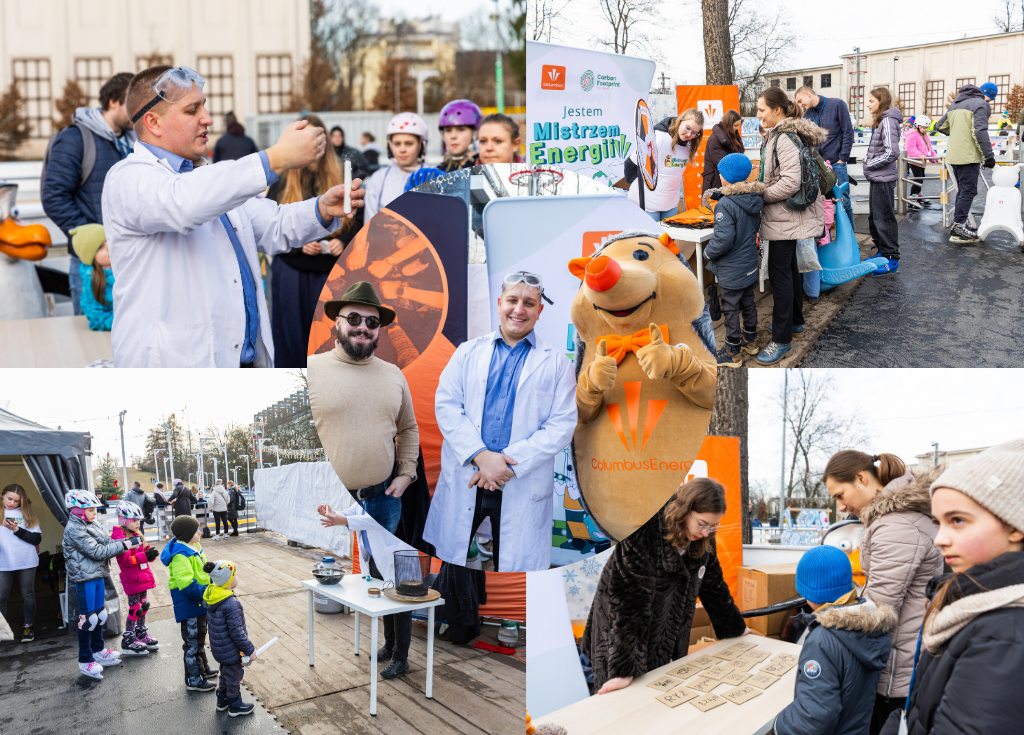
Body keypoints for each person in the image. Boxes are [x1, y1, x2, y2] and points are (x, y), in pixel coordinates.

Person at [102, 65, 365, 368]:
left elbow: (273, 224)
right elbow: (183, 203)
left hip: (240, 366)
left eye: (204, 106)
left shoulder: (209, 178)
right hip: (174, 371)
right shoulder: (127, 179)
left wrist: (320, 210)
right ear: (153, 122)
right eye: (192, 110)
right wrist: (277, 157)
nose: (208, 118)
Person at [424, 272, 577, 573]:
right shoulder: (467, 352)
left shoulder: (558, 363)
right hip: (469, 475)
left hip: (517, 480)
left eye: (529, 303)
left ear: (539, 310)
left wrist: (503, 465)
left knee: (514, 575)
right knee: (454, 572)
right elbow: (447, 406)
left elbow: (561, 426)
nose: (519, 309)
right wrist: (482, 457)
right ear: (499, 304)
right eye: (512, 300)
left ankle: (507, 610)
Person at [881, 440, 1024, 735]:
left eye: (958, 520)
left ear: (1014, 524)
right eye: (938, 523)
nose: (939, 539)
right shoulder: (972, 600)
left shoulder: (1004, 634)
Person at [581, 479, 749, 695]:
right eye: (702, 524)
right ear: (685, 510)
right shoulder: (643, 531)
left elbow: (714, 587)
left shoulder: (704, 538)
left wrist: (735, 627)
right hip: (619, 634)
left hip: (663, 630)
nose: (707, 533)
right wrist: (624, 667)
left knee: (656, 689)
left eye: (713, 526)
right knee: (624, 697)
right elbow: (629, 604)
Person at [823, 451, 943, 733]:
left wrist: (824, 626)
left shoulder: (897, 525)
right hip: (906, 658)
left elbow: (878, 609)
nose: (841, 507)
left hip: (897, 672)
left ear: (861, 478)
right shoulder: (897, 518)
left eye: (840, 495)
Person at [307, 282, 419, 536]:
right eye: (354, 318)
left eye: (372, 322)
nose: (363, 327)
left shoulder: (394, 374)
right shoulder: (311, 369)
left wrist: (407, 474)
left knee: (383, 561)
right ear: (337, 322)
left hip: (384, 500)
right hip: (328, 501)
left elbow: (408, 427)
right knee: (331, 561)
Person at [772, 545, 897, 735]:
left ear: (808, 592)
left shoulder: (822, 641)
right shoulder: (869, 626)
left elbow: (813, 720)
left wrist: (778, 725)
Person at [41, 71, 136, 317]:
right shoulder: (75, 139)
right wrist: (95, 244)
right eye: (133, 103)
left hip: (131, 262)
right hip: (93, 266)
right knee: (89, 335)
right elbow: (54, 196)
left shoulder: (134, 143)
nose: (139, 111)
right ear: (113, 101)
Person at [267, 114, 356, 369]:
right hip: (292, 272)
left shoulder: (340, 175)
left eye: (317, 138)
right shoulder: (283, 179)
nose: (313, 144)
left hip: (330, 273)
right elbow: (269, 225)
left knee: (330, 344)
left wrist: (343, 241)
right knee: (291, 342)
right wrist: (298, 245)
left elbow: (357, 222)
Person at [755, 87, 826, 365]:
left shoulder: (783, 138)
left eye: (761, 109)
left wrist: (761, 196)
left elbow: (790, 183)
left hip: (784, 217)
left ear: (777, 110)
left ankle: (781, 339)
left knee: (780, 275)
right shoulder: (782, 135)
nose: (758, 114)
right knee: (790, 269)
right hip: (788, 216)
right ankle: (794, 323)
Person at [318, 501, 418, 678]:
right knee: (386, 603)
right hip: (377, 559)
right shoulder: (363, 496)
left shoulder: (389, 493)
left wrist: (342, 520)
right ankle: (389, 646)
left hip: (399, 558)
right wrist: (333, 514)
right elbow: (351, 513)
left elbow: (379, 519)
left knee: (401, 609)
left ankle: (400, 658)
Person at [63, 489, 140, 680]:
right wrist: (126, 544)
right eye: (90, 510)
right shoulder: (74, 529)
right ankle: (85, 659)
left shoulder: (91, 523)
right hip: (85, 578)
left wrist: (125, 539)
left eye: (95, 509)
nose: (94, 513)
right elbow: (98, 551)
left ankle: (98, 650)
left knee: (100, 615)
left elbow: (107, 542)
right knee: (88, 619)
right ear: (77, 510)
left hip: (98, 574)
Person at [702, 153, 764, 367]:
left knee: (730, 307)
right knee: (748, 301)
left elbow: (724, 238)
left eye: (721, 174)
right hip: (749, 263)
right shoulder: (753, 197)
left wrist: (708, 253)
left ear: (728, 177)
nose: (719, 176)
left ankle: (732, 350)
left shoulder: (725, 204)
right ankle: (751, 340)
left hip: (731, 268)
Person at [160, 514, 217, 692]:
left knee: (199, 636)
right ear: (187, 534)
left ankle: (203, 669)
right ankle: (195, 679)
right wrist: (207, 592)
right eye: (196, 530)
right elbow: (186, 585)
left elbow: (201, 570)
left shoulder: (194, 547)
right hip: (190, 603)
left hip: (199, 601)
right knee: (192, 642)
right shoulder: (180, 555)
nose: (200, 532)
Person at [936, 83, 997, 244]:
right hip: (968, 155)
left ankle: (959, 223)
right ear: (986, 95)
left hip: (954, 154)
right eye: (990, 99)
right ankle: (958, 227)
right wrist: (989, 156)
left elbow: (939, 126)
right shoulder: (981, 104)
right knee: (968, 191)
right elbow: (979, 131)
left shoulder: (955, 104)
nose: (988, 102)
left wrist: (958, 132)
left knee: (963, 190)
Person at [625, 109, 704, 221]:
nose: (689, 134)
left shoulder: (688, 147)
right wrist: (630, 181)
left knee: (668, 233)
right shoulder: (659, 138)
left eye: (694, 133)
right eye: (688, 128)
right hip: (647, 204)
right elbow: (632, 164)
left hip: (670, 205)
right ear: (681, 120)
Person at [795, 86, 855, 226]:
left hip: (837, 163)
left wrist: (842, 159)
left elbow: (848, 132)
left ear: (808, 94)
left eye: (800, 100)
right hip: (819, 166)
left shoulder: (837, 104)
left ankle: (850, 236)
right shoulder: (806, 116)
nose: (800, 105)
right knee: (824, 203)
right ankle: (828, 237)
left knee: (844, 201)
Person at [202, 560, 256, 716]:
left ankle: (222, 699)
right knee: (233, 676)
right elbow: (237, 632)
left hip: (220, 648)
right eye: (235, 575)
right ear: (228, 581)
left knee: (225, 673)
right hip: (231, 651)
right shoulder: (231, 604)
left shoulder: (213, 596)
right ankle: (234, 705)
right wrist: (249, 650)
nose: (237, 577)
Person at [863, 87, 903, 275]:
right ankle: (882, 252)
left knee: (884, 218)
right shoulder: (882, 121)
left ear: (882, 101)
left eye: (871, 101)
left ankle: (891, 258)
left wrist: (869, 164)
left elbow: (892, 152)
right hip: (878, 177)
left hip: (883, 177)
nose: (868, 104)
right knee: (875, 218)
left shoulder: (887, 120)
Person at [111, 501, 159, 656]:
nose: (138, 523)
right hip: (131, 578)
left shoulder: (137, 534)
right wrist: (145, 556)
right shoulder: (120, 537)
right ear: (123, 520)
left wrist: (150, 554)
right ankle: (128, 638)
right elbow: (126, 560)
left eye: (138, 520)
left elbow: (143, 553)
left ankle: (140, 632)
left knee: (144, 605)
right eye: (134, 520)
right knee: (135, 608)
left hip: (142, 577)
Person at [362, 112, 428, 223]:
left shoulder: (434, 177)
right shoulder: (378, 178)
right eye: (397, 144)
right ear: (389, 145)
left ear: (421, 145)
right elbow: (369, 224)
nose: (402, 149)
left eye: (409, 143)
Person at [0, 484, 41, 643]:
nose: (12, 503)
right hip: (4, 562)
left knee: (28, 595)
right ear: (2, 496)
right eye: (9, 498)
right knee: (1, 598)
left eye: (16, 501)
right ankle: (2, 631)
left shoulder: (27, 514)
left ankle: (28, 627)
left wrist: (17, 530)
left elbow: (36, 539)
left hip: (26, 561)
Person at [702, 109, 746, 192]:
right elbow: (724, 164)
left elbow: (738, 154)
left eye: (738, 125)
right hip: (716, 182)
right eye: (735, 125)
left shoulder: (731, 134)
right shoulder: (715, 140)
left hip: (726, 181)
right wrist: (742, 166)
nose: (737, 128)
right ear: (728, 124)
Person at [438, 99, 483, 172]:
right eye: (448, 130)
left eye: (461, 129)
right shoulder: (439, 170)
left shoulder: (485, 166)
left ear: (475, 133)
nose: (453, 136)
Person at [903, 115, 938, 207]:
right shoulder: (912, 135)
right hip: (915, 161)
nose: (925, 130)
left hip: (922, 161)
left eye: (926, 128)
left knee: (921, 178)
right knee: (918, 179)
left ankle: (918, 195)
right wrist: (919, 155)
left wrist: (934, 157)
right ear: (917, 126)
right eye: (923, 128)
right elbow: (910, 148)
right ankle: (912, 196)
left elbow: (929, 147)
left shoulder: (925, 135)